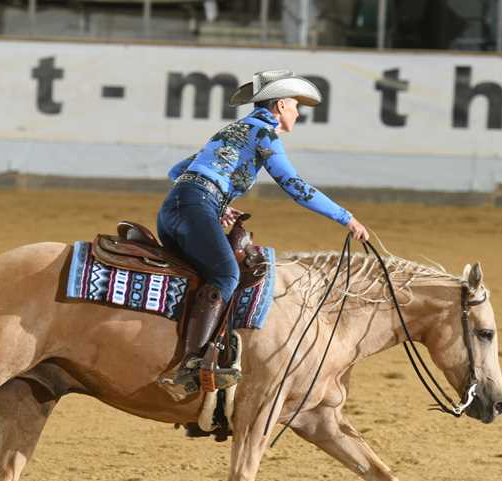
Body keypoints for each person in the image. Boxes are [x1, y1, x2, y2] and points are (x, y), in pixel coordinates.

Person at [156, 69, 369, 400]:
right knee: (227, 275)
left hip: (174, 210)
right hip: (195, 210)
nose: (298, 113)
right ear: (281, 105)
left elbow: (177, 172)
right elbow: (295, 186)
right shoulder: (264, 134)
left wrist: (217, 201)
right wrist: (346, 218)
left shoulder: (231, 129)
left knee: (205, 275)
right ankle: (192, 363)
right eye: (295, 106)